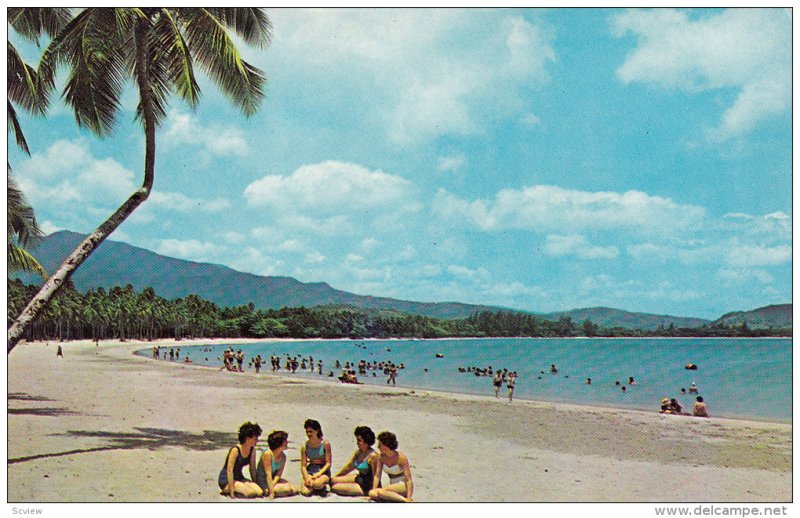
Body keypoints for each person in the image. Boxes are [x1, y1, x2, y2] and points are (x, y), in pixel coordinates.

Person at [331, 426, 379, 497]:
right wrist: (337, 476)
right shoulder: (358, 452)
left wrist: (373, 492)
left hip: (367, 486)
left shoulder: (373, 456)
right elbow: (349, 467)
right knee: (332, 481)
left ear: (366, 441)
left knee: (334, 487)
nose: (357, 442)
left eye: (359, 440)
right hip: (360, 478)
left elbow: (376, 475)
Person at [218, 422, 263, 498]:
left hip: (239, 477)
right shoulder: (235, 450)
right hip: (227, 479)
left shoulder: (252, 450)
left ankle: (240, 488)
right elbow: (229, 470)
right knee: (250, 493)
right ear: (248, 439)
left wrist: (255, 482)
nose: (257, 441)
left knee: (259, 492)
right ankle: (227, 490)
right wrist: (232, 491)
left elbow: (252, 469)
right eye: (255, 439)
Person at [369, 431, 413, 502]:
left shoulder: (401, 458)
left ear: (386, 445)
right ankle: (394, 497)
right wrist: (374, 490)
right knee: (372, 493)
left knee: (381, 492)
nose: (378, 447)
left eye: (380, 445)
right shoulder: (381, 457)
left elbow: (408, 480)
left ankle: (406, 501)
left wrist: (409, 497)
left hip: (402, 484)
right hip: (391, 483)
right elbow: (377, 476)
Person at [256, 431, 299, 499]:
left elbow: (278, 474)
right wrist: (271, 491)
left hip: (272, 479)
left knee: (291, 487)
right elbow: (268, 474)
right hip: (263, 480)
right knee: (288, 489)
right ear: (279, 443)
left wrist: (273, 484)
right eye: (285, 441)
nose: (287, 442)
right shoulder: (267, 454)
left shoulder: (283, 456)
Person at [300, 419, 332, 496]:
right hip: (310, 470)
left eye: (311, 431)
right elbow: (303, 466)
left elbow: (328, 463)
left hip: (322, 470)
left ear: (317, 431)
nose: (308, 434)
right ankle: (316, 487)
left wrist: (319, 474)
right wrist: (306, 477)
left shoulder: (325, 444)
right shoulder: (305, 446)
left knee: (317, 484)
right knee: (305, 492)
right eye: (307, 431)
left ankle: (320, 485)